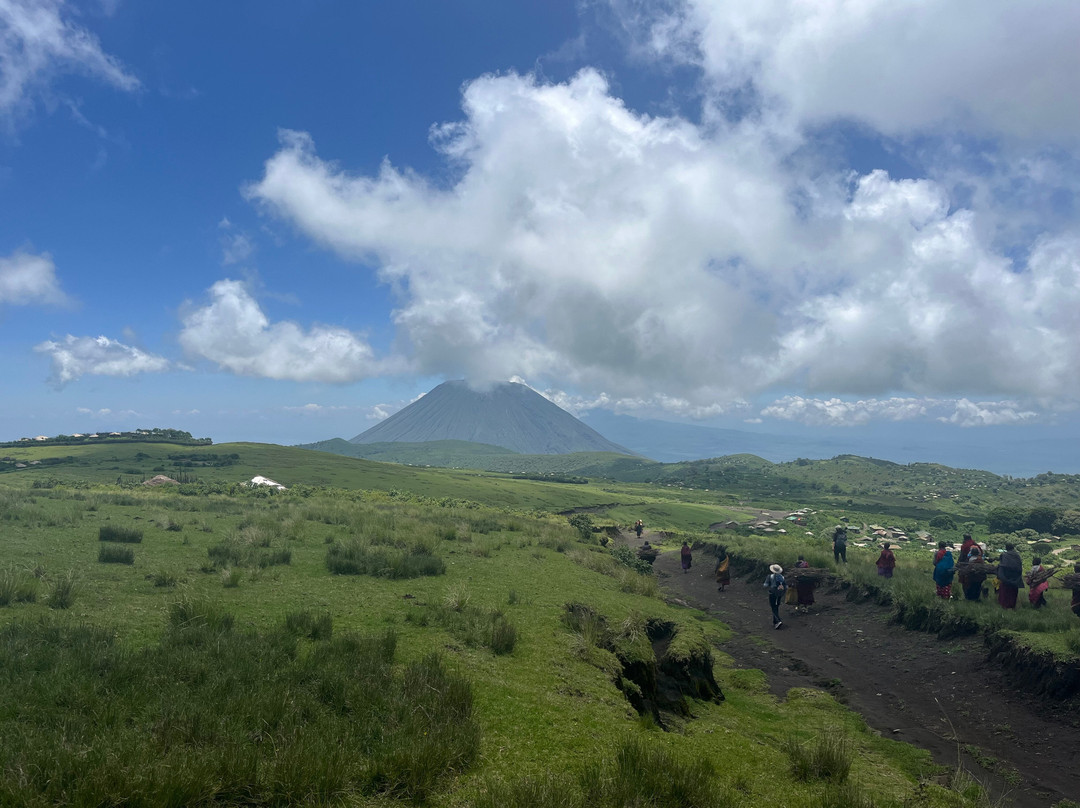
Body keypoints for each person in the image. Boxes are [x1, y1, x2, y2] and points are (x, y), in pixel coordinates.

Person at [996, 542, 1024, 609]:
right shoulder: (1017, 555)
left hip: (1006, 576)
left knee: (1005, 592)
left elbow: (1002, 565)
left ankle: (1005, 606)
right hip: (1016, 576)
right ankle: (1012, 606)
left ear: (1006, 548)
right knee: (1013, 592)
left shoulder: (1004, 555)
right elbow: (1019, 566)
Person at [764, 564, 786, 629]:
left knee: (773, 607)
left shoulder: (770, 576)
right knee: (776, 606)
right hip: (779, 594)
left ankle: (778, 621)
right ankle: (775, 622)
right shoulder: (782, 577)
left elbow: (765, 585)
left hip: (772, 593)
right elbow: (785, 586)